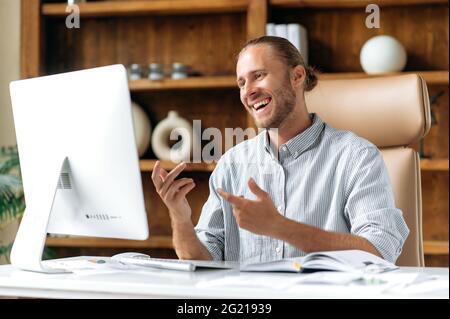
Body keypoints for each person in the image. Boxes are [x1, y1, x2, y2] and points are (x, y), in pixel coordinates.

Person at [151, 36, 409, 264]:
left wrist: (281, 228)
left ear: (297, 76)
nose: (248, 91)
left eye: (258, 76)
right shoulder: (232, 163)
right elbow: (203, 261)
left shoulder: (356, 157)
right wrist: (180, 219)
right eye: (241, 83)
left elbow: (379, 252)